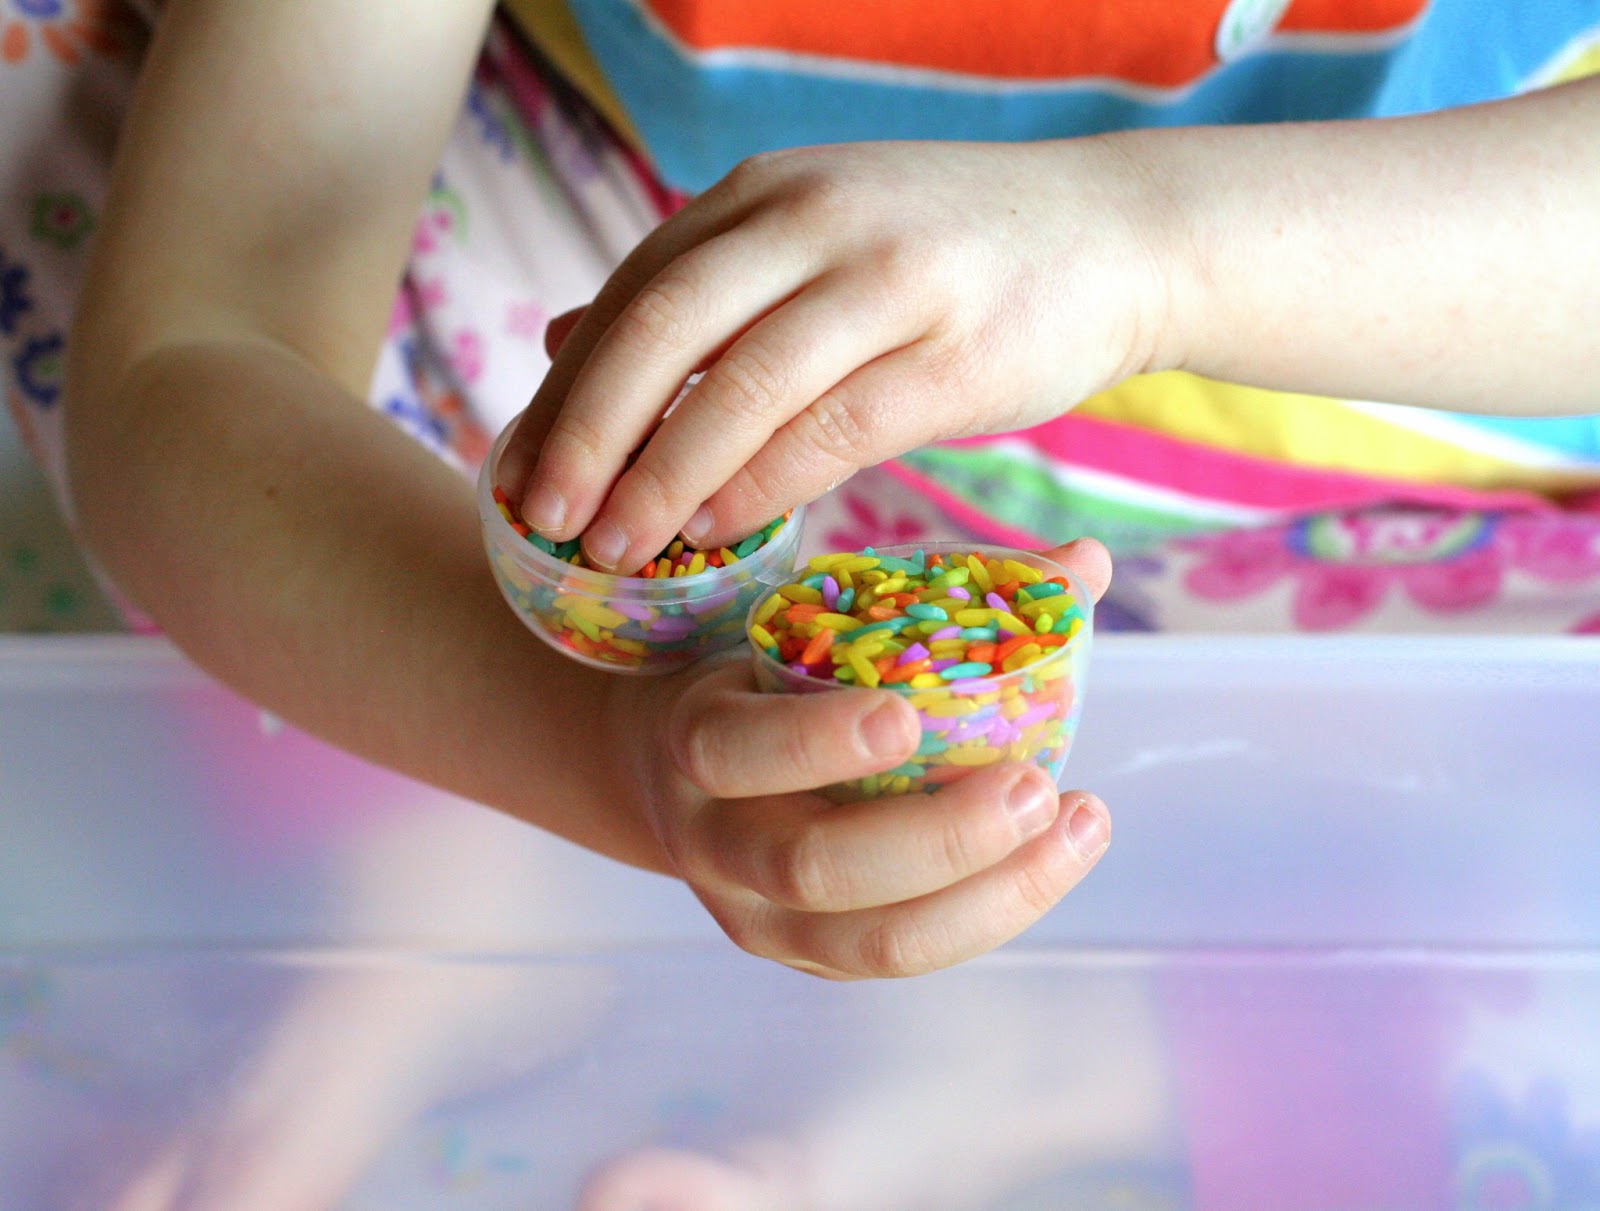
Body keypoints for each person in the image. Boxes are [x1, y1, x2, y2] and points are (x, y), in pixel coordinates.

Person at [2, 0, 1596, 989]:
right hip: (674, 375)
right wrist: (610, 750)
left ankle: (1022, 1096)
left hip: (1445, 492)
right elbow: (197, 344)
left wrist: (1148, 252)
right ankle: (438, 873)